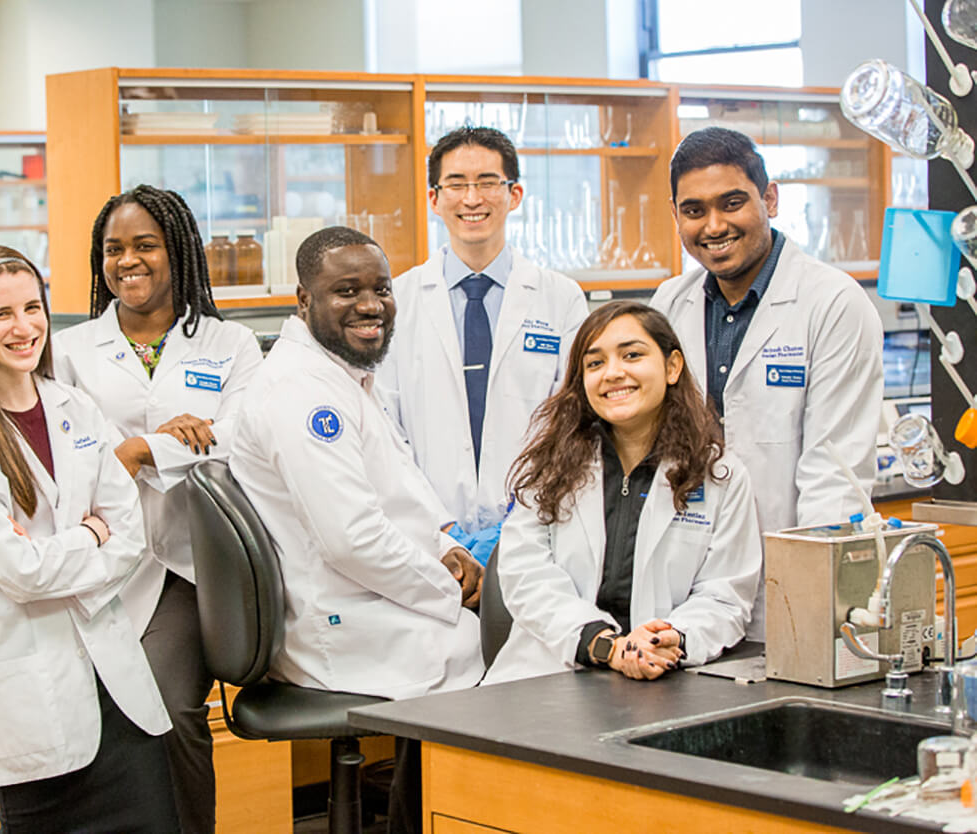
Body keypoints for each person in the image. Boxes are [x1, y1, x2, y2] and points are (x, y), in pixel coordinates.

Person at [230, 226, 484, 834]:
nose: (371, 305)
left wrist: (447, 549)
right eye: (346, 290)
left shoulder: (342, 376)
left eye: (381, 288)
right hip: (340, 627)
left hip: (370, 601)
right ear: (303, 300)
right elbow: (353, 539)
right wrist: (449, 589)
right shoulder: (301, 394)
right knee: (513, 661)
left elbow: (398, 497)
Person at [0, 245, 179, 833]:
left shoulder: (74, 408)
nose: (24, 327)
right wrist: (90, 533)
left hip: (117, 690)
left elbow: (130, 535)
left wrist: (70, 549)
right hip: (33, 696)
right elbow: (22, 574)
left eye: (32, 307)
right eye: (1, 314)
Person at [53, 185, 263, 834]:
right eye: (113, 249)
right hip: (99, 562)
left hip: (191, 564)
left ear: (179, 253)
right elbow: (64, 460)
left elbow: (245, 440)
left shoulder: (231, 345)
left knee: (170, 710)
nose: (128, 261)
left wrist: (142, 449)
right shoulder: (70, 349)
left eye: (145, 245)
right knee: (96, 718)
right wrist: (159, 445)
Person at [649, 127, 884, 641]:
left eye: (732, 203)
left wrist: (810, 601)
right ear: (676, 216)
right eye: (693, 211)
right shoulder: (667, 304)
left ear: (769, 198)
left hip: (786, 588)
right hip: (683, 596)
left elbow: (833, 473)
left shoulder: (833, 304)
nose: (713, 226)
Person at [483, 301, 760, 686]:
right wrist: (605, 645)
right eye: (595, 364)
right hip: (548, 677)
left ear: (672, 366)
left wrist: (669, 639)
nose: (613, 373)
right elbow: (526, 576)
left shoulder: (719, 475)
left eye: (632, 355)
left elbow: (725, 596)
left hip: (666, 680)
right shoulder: (548, 468)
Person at [377, 126, 588, 563]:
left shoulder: (561, 298)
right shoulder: (401, 300)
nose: (472, 199)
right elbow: (384, 431)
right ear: (434, 199)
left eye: (488, 183)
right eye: (456, 184)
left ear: (514, 195)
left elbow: (572, 421)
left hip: (536, 530)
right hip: (429, 536)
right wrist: (438, 525)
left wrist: (521, 517)